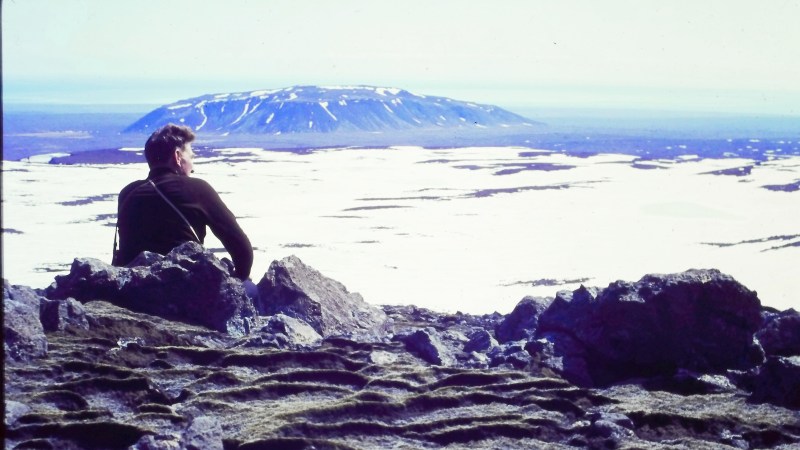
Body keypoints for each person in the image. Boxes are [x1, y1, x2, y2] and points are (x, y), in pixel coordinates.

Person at [114, 123, 253, 281]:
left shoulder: (127, 193)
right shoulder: (197, 189)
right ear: (178, 156)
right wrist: (239, 280)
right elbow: (241, 247)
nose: (192, 168)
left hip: (134, 286)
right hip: (183, 285)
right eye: (191, 157)